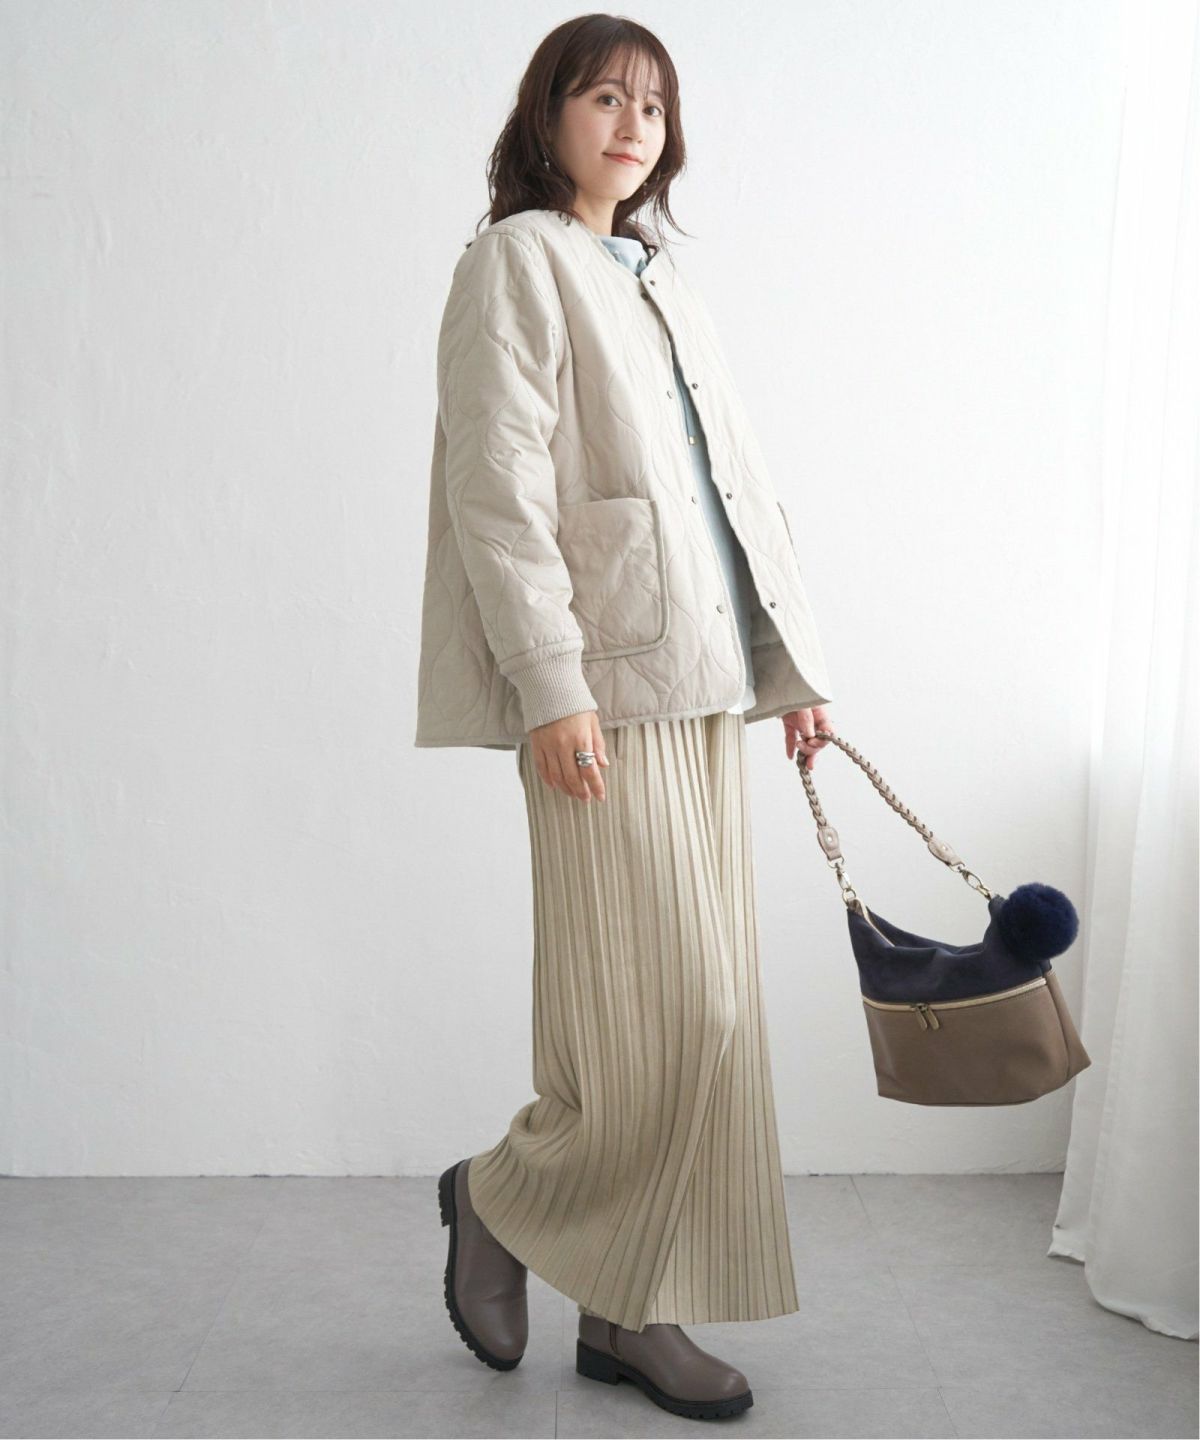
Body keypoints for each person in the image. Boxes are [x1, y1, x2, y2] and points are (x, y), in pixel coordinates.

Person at [416, 14, 836, 1423]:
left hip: (703, 688)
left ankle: (624, 1311)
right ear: (549, 115)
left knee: (694, 1018)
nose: (633, 125)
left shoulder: (661, 282)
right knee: (661, 1014)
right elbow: (497, 490)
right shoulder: (516, 261)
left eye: (653, 105)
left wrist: (791, 672)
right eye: (604, 97)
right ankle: (501, 1197)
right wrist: (552, 686)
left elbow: (735, 492)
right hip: (599, 692)